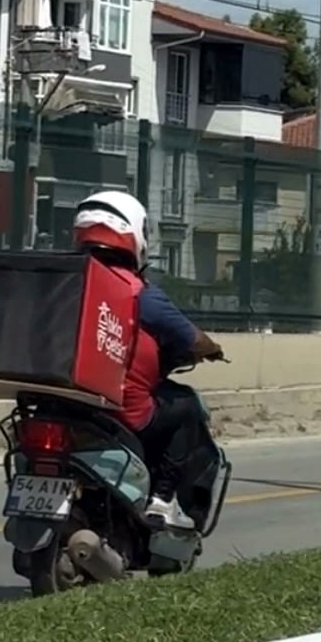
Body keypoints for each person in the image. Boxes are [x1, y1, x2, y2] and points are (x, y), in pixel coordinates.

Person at [70, 190, 222, 532]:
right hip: (121, 411)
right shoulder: (140, 292)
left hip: (65, 402)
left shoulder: (67, 281)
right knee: (184, 406)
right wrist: (213, 348)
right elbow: (191, 338)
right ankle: (163, 500)